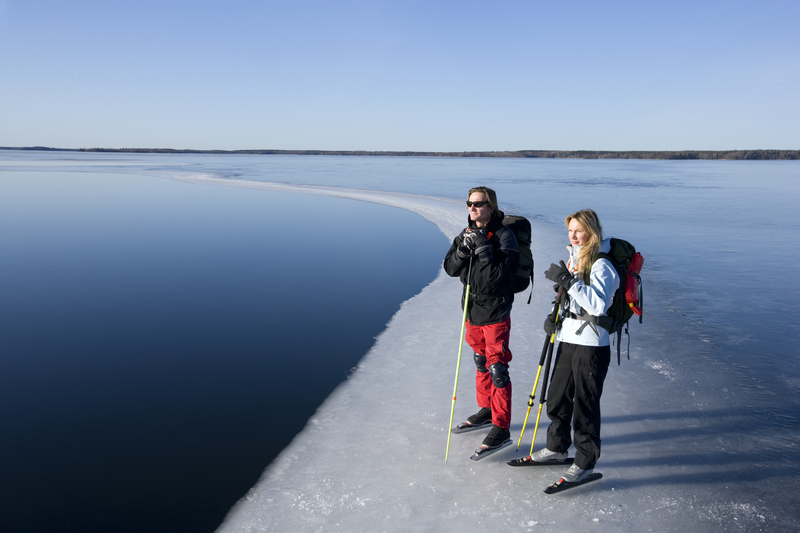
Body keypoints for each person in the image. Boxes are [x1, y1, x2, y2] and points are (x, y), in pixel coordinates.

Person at [532, 209, 619, 483]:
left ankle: (585, 463)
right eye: (570, 230)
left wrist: (567, 281)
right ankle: (557, 448)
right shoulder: (575, 258)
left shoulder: (602, 265)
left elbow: (597, 304)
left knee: (586, 405)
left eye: (579, 230)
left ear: (591, 231)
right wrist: (554, 317)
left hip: (591, 345)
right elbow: (570, 299)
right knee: (557, 398)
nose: (573, 235)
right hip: (568, 339)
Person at [443, 186, 519, 451]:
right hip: (472, 310)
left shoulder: (504, 236)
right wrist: (464, 250)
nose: (472, 208)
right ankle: (486, 410)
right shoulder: (466, 234)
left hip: (496, 311)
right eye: (469, 203)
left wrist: (484, 247)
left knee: (498, 368)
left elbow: (494, 279)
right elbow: (451, 269)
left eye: (478, 204)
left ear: (491, 206)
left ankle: (502, 426)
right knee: (481, 361)